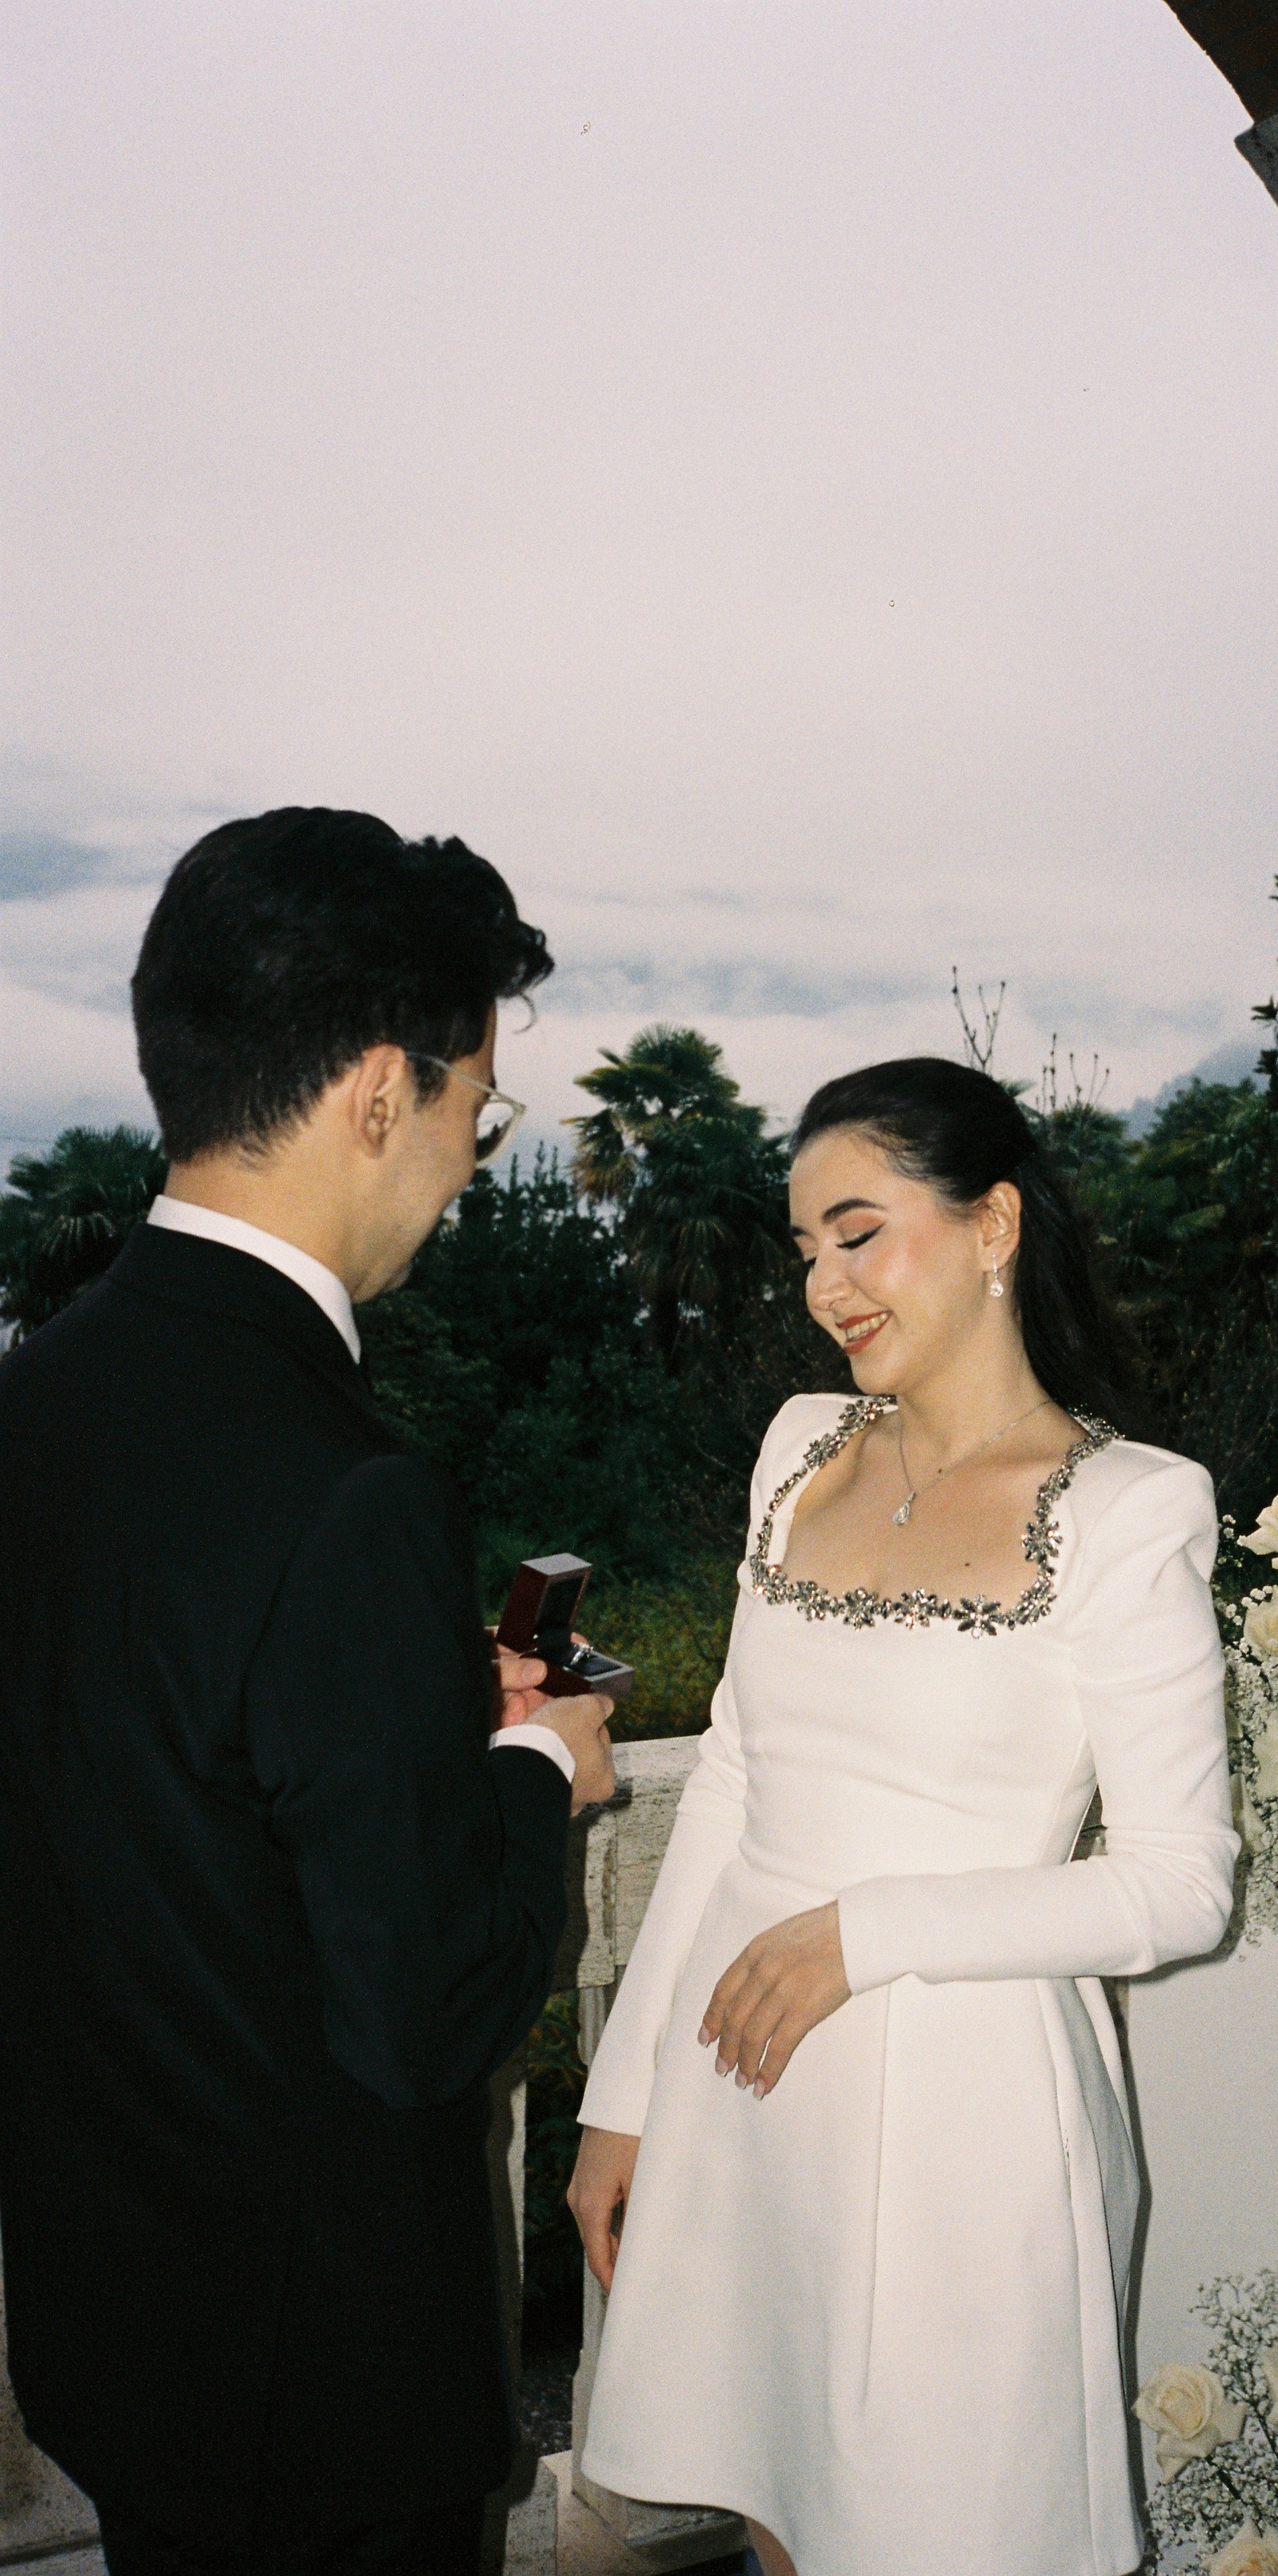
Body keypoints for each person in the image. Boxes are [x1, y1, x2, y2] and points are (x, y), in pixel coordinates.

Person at [0, 808, 616, 2576]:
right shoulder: (346, 1481)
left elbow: (172, 1779)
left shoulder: (37, 1401)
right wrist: (527, 1764)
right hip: (328, 2401)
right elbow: (424, 2007)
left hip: (126, 2347)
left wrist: (425, 1710)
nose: (466, 1162)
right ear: (376, 1091)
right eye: (474, 1113)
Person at [569, 1056, 1239, 2576]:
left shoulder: (1129, 1506)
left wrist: (864, 1934)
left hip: (962, 2110)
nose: (823, 1282)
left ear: (992, 1221)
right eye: (804, 1245)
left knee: (933, 2531)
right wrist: (626, 2095)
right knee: (774, 2509)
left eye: (858, 1231)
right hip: (746, 2085)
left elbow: (1177, 1883)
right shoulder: (798, 1444)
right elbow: (735, 1772)